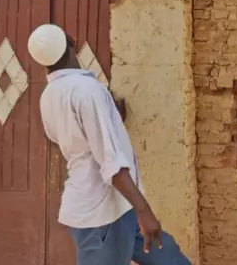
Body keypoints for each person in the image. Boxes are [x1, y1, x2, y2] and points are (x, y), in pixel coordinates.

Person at [27, 24, 191, 265]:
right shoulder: (88, 90)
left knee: (169, 258)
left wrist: (110, 120)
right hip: (102, 216)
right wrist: (144, 212)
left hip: (118, 205)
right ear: (71, 40)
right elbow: (111, 165)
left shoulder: (49, 95)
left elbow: (61, 137)